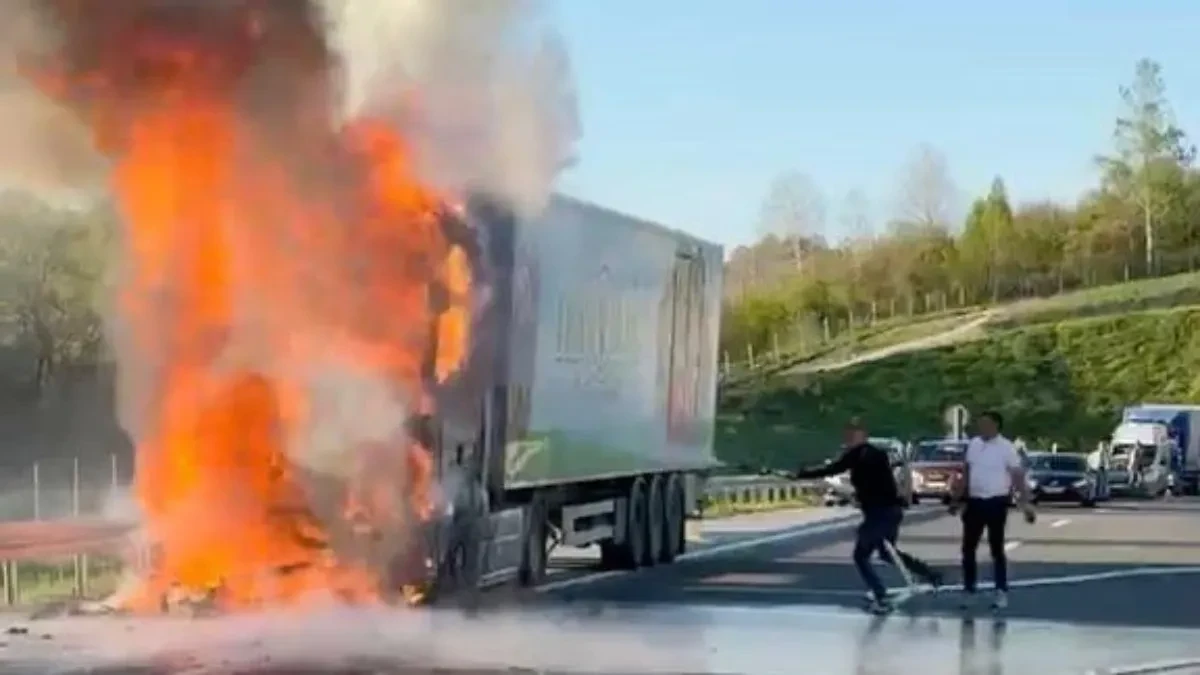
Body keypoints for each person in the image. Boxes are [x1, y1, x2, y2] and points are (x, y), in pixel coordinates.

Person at [787, 417, 945, 614]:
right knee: (887, 553)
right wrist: (856, 495)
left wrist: (804, 474)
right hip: (883, 511)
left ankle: (882, 595)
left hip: (883, 512)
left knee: (861, 555)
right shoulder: (865, 454)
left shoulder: (865, 454)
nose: (849, 438)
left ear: (863, 436)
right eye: (847, 435)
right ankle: (930, 575)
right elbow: (856, 477)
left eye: (853, 435)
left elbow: (835, 469)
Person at [950, 410, 1035, 610]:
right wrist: (956, 499)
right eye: (980, 424)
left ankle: (1000, 591)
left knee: (996, 549)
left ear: (996, 426)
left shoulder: (1006, 448)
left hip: (996, 501)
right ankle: (969, 590)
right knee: (968, 548)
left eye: (986, 424)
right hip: (975, 501)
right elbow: (967, 472)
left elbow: (1017, 476)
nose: (982, 428)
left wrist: (1025, 504)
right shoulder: (974, 445)